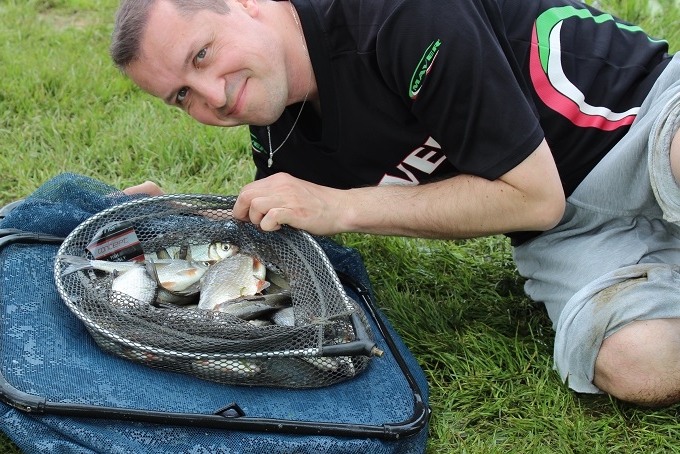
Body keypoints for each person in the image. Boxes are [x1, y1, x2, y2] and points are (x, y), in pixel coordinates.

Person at [111, 0, 680, 406]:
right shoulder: (277, 125)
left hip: (643, 118)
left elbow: (532, 197)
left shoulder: (397, 13)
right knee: (639, 366)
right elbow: (275, 223)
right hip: (568, 232)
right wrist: (172, 219)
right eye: (182, 94)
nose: (212, 97)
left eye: (203, 54)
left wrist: (343, 206)